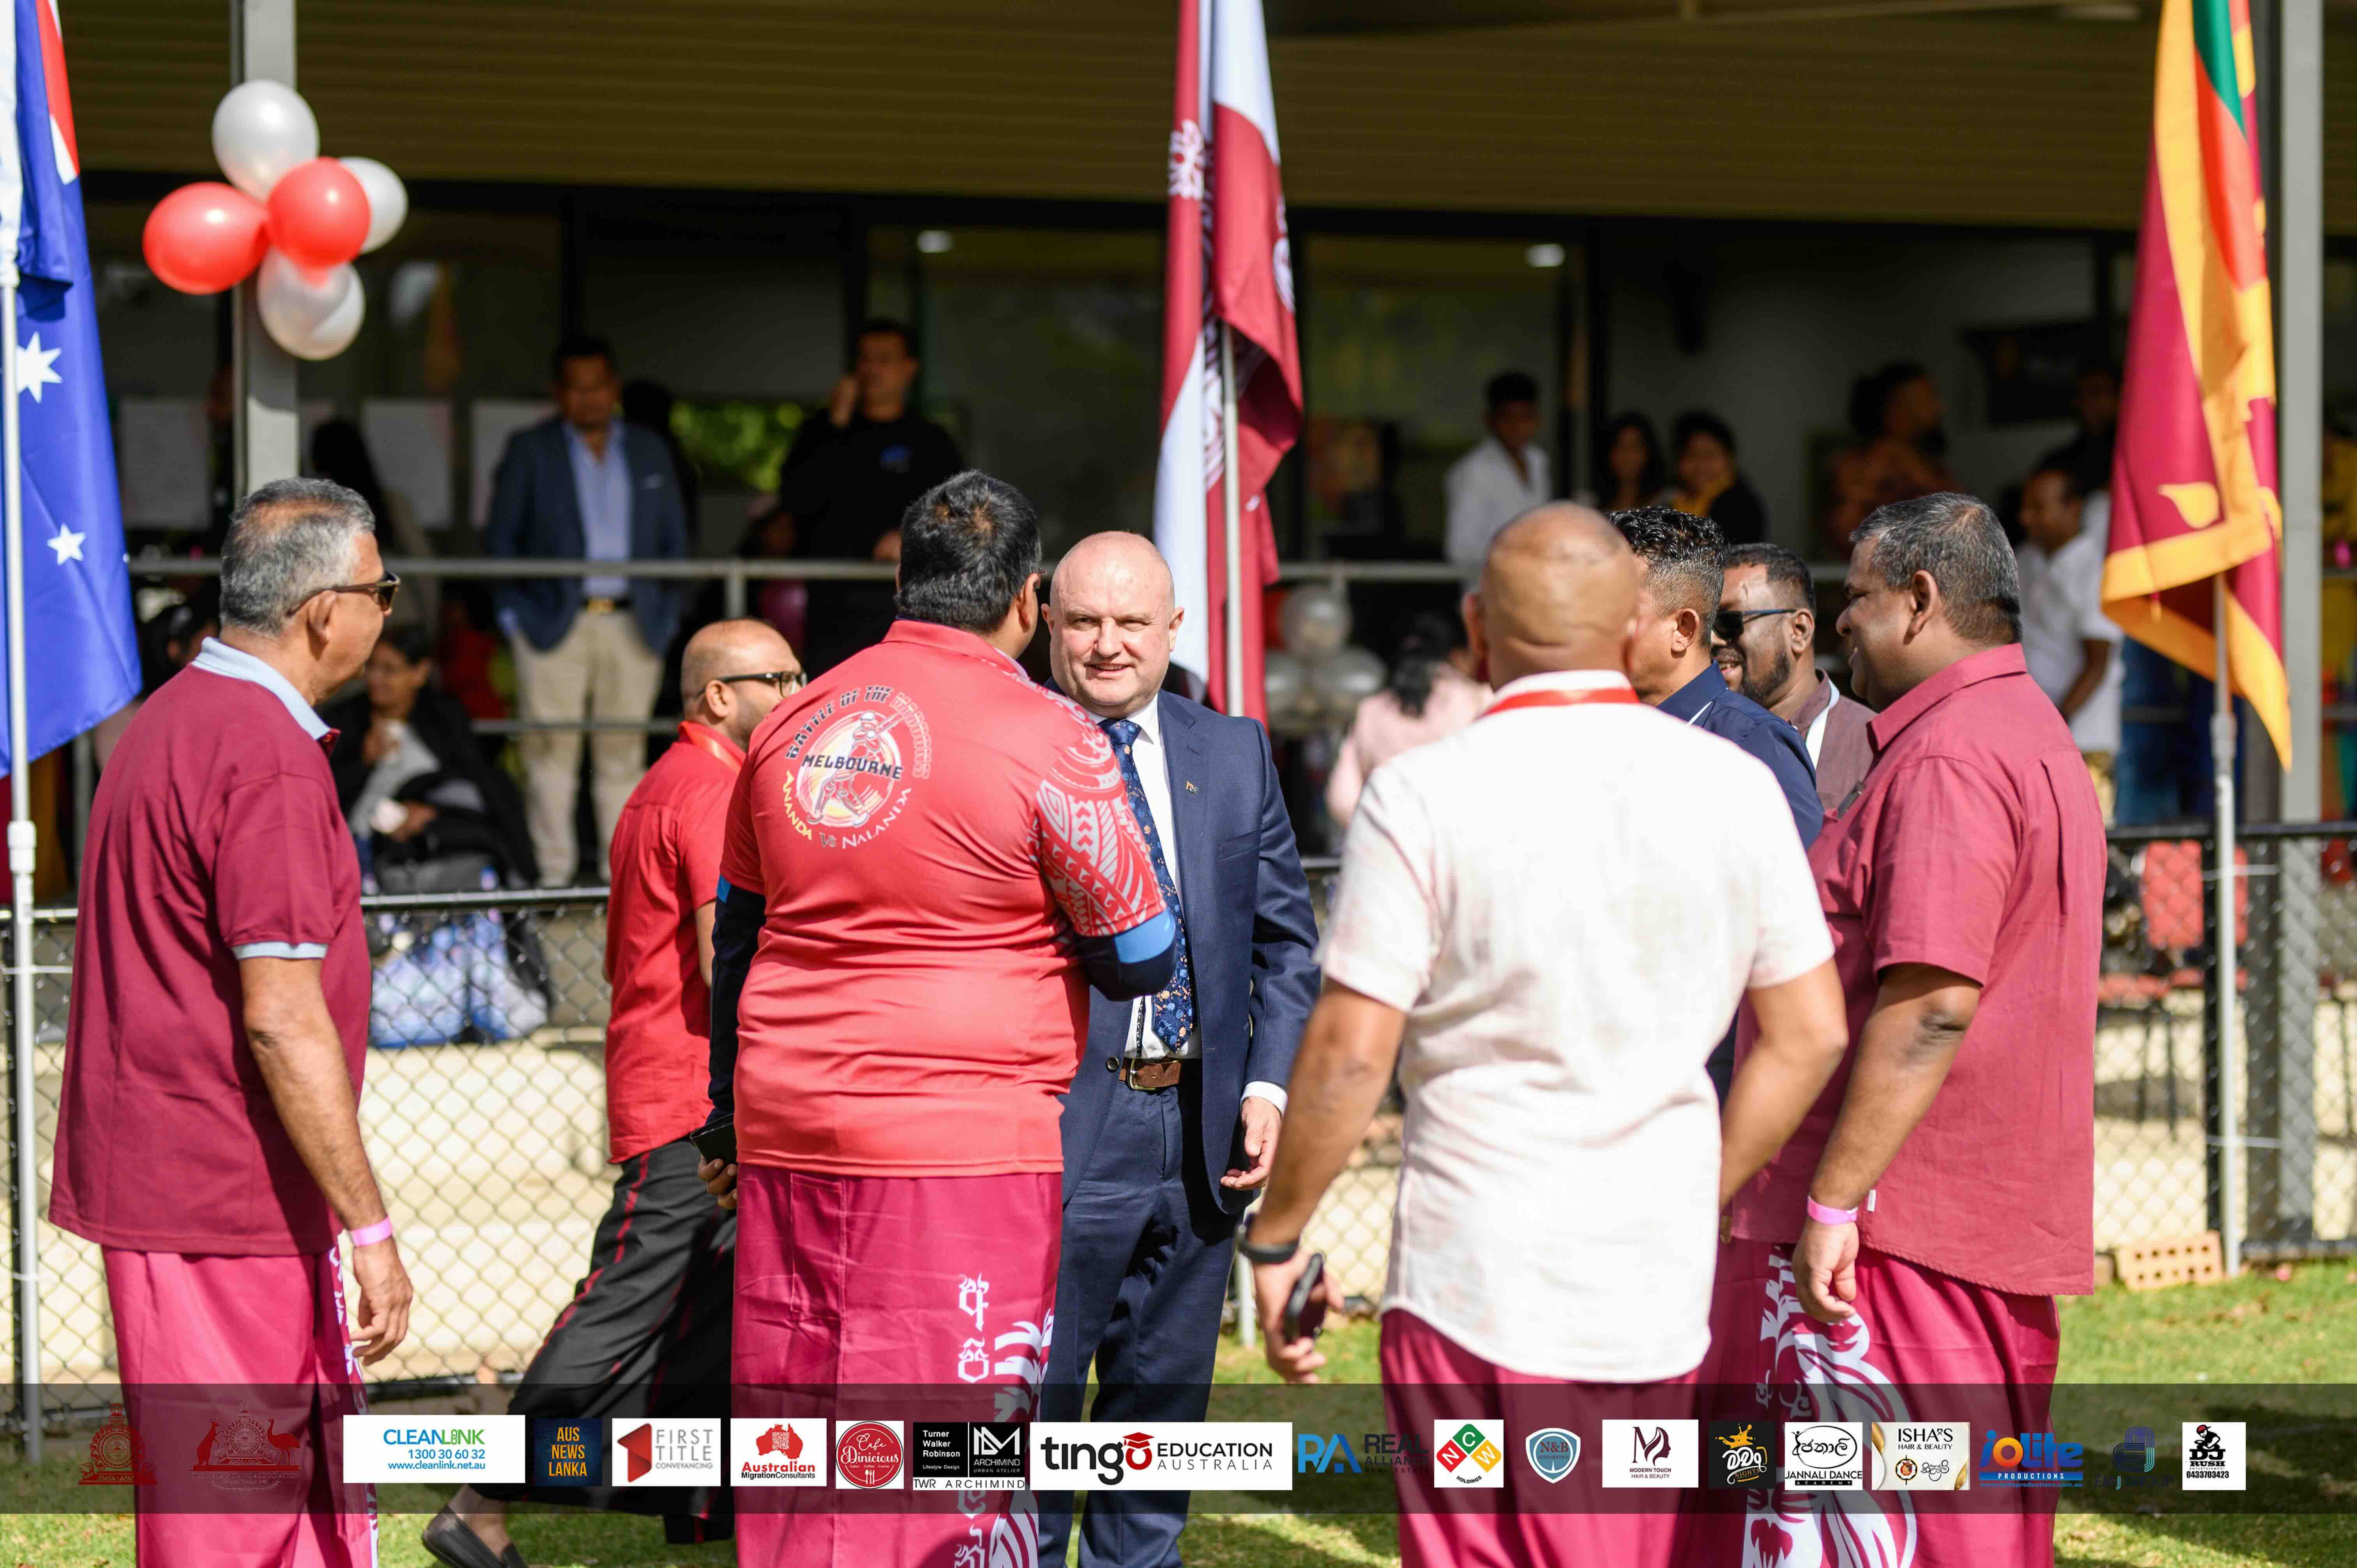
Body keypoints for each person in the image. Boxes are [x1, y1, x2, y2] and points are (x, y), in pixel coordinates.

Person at [1242, 504, 1848, 1568]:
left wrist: (1278, 1236)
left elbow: (1350, 1052)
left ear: (1479, 626)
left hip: (1469, 1272)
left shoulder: (1422, 790)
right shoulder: (1735, 786)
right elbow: (1810, 1033)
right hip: (1647, 1274)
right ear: (1632, 625)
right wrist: (1698, 1187)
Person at [697, 471, 1175, 1567]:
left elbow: (738, 933)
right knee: (945, 1433)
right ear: (1030, 600)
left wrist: (726, 1111)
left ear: (901, 582)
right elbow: (1143, 952)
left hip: (790, 1121)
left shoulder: (793, 719)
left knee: (800, 1406)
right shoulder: (1056, 737)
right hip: (961, 1139)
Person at [1704, 493, 2104, 1568]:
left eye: (1860, 598)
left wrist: (1833, 1200)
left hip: (1891, 1237)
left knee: (1870, 1528)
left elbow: (1931, 1002)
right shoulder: (2024, 727)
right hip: (1960, 1222)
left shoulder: (1948, 757)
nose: (1842, 622)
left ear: (1921, 600)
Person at [49, 477, 411, 1567]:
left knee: (268, 1498)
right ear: (326, 612)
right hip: (219, 1189)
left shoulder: (171, 719)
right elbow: (282, 1020)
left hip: (196, 1182)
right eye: (383, 590)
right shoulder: (261, 752)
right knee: (236, 1510)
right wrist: (372, 1229)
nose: (389, 611)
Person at [428, 620, 803, 1568]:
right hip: (692, 1097)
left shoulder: (666, 780)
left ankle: (720, 1510)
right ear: (719, 695)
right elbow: (728, 959)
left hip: (684, 1085)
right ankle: (480, 1501)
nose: (799, 692)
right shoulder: (713, 788)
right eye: (780, 677)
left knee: (704, 1314)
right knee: (625, 1304)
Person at [1035, 532, 1320, 1568]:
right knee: (1036, 1416)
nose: (1108, 644)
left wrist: (1269, 1084)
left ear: (1173, 627)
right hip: (1066, 1126)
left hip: (1203, 1133)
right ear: (1047, 623)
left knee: (1157, 1422)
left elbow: (1287, 943)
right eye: (1084, 621)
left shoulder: (1233, 750)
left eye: (1131, 622)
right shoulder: (1013, 746)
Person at [485, 333, 692, 886]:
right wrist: (513, 619)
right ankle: (552, 884)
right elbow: (499, 540)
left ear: (614, 387)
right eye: (577, 388)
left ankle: (618, 883)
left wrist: (668, 615)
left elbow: (676, 540)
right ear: (559, 393)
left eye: (598, 386)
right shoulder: (531, 449)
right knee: (550, 758)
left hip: (635, 621)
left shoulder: (648, 448)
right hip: (552, 622)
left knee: (623, 758)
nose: (589, 398)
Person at [1612, 506, 1821, 844]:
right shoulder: (1595, 734)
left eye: (1615, 610)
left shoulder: (1756, 747)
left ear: (1683, 629)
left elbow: (1805, 873)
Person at [774, 317, 965, 672]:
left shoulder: (931, 440)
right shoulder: (822, 432)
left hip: (907, 608)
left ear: (909, 369)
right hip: (833, 608)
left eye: (885, 359)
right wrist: (836, 422)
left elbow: (960, 513)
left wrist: (911, 538)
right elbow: (797, 501)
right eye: (865, 359)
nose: (872, 370)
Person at [325, 623, 536, 887]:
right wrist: (364, 760)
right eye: (372, 667)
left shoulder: (443, 719)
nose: (375, 679)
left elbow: (475, 781)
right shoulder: (345, 720)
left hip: (435, 843)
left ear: (420, 673)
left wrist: (430, 813)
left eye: (389, 670)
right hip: (360, 844)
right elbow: (323, 793)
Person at [1714, 541, 1878, 815]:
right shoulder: (1695, 737)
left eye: (1728, 622)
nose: (1714, 639)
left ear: (1799, 631)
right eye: (1707, 623)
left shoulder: (1872, 748)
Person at [2016, 462, 2124, 816]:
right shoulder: (2026, 559)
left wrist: (2052, 724)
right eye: (2026, 507)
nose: (2026, 518)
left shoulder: (2095, 570)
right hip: (2029, 737)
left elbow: (2097, 664)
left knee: (2084, 835)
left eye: (2039, 508)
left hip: (2083, 741)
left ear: (2074, 509)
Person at [1324, 609, 1489, 829]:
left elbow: (1342, 800)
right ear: (1457, 654)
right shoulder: (1478, 700)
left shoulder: (1371, 710)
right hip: (1460, 837)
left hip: (1389, 837)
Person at [312, 417, 436, 632]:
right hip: (401, 615)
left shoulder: (319, 509)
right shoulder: (391, 503)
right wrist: (430, 622)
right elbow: (423, 565)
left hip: (354, 623)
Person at [1823, 362, 1956, 555]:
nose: (1940, 406)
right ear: (1898, 406)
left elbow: (1958, 522)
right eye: (1928, 398)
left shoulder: (1926, 460)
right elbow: (1844, 530)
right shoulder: (1868, 462)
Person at [1445, 371, 1550, 576]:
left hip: (1533, 583)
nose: (1517, 426)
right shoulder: (1473, 471)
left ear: (1537, 418)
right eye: (1508, 418)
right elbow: (1461, 550)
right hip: (1489, 587)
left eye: (1525, 417)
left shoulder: (1538, 461)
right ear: (1489, 420)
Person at [1666, 409, 1768, 547]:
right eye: (1691, 455)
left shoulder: (1742, 506)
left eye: (1710, 455)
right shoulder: (1669, 502)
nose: (1701, 465)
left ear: (1729, 459)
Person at [2037, 360, 2120, 499]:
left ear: (2120, 397)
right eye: (2081, 395)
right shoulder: (2058, 463)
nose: (2087, 402)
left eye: (2096, 392)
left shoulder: (2134, 455)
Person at [1592, 409, 1666, 514]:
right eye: (1620, 446)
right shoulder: (1591, 506)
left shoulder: (1668, 503)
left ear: (1649, 453)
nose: (1627, 456)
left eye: (1635, 447)